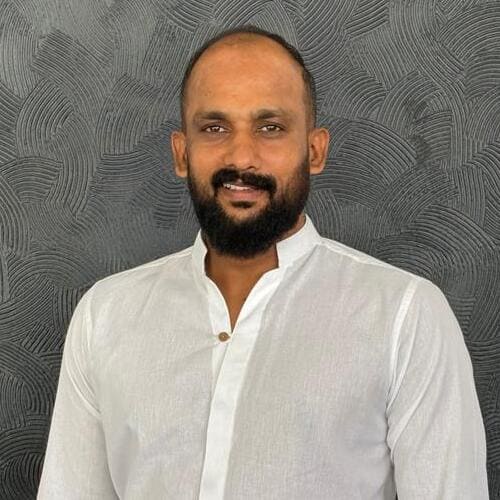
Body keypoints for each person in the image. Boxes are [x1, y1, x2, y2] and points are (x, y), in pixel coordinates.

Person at [38, 26, 488, 499]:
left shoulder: (404, 317)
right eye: (215, 128)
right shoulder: (105, 316)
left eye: (270, 127)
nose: (242, 156)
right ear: (182, 153)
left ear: (314, 151)